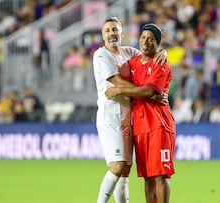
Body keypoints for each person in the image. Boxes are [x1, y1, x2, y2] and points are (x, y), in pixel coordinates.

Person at [93, 17, 166, 203]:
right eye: (107, 30)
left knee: (125, 170)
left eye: (115, 30)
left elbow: (147, 57)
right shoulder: (101, 55)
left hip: (129, 117)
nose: (112, 33)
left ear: (122, 33)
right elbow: (118, 82)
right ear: (102, 35)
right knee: (117, 166)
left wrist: (162, 52)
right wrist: (150, 94)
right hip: (110, 117)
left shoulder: (128, 52)